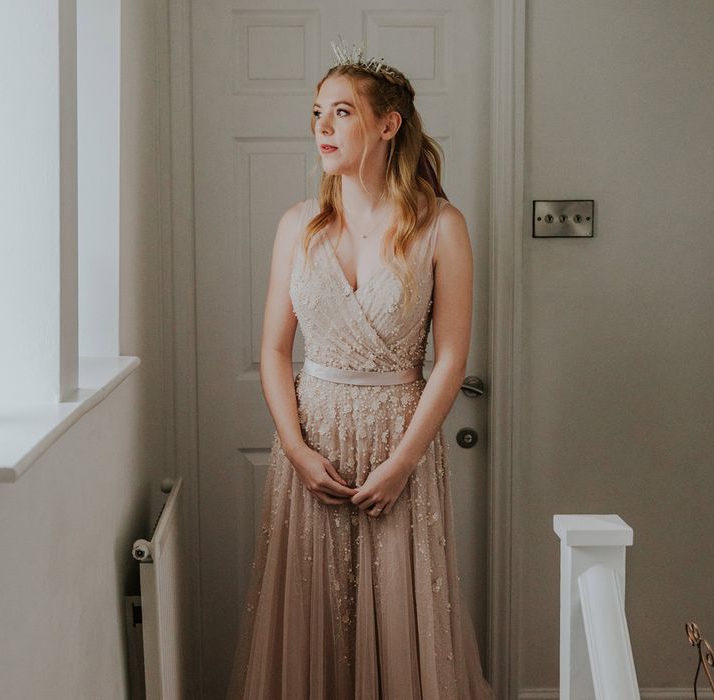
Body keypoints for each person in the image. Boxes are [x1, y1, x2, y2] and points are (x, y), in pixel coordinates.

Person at [226, 38, 493, 699]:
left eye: (341, 112)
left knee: (400, 615)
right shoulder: (299, 225)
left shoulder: (441, 227)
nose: (322, 127)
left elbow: (452, 358)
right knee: (309, 611)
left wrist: (401, 464)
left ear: (387, 124)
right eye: (317, 112)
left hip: (398, 445)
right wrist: (294, 448)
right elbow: (274, 350)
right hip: (312, 447)